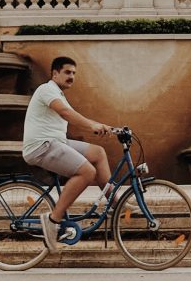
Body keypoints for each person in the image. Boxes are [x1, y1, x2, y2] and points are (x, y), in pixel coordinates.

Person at [22, 56, 119, 252]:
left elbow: (75, 116)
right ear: (55, 73)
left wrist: (109, 128)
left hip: (57, 143)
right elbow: (66, 113)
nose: (71, 76)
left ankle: (116, 203)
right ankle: (53, 220)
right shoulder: (47, 89)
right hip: (41, 145)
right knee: (86, 172)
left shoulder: (59, 93)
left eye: (74, 73)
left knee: (98, 153)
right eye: (67, 72)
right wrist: (92, 125)